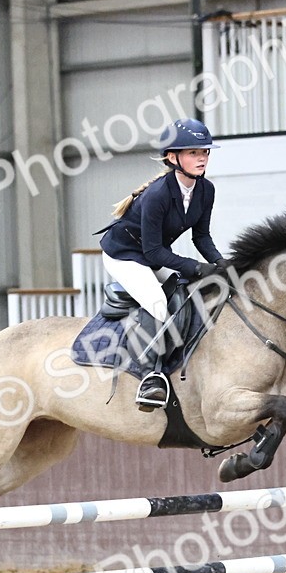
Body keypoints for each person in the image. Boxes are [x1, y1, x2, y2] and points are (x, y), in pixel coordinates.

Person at [98, 118, 228, 411]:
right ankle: (149, 375)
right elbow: (154, 252)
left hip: (152, 253)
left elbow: (202, 236)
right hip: (125, 254)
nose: (202, 158)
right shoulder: (158, 194)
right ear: (173, 157)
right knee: (158, 301)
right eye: (194, 152)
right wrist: (195, 267)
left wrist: (221, 264)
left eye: (205, 152)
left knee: (187, 291)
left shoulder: (206, 190)